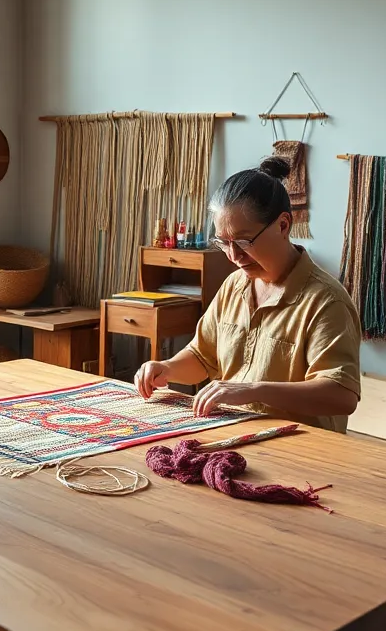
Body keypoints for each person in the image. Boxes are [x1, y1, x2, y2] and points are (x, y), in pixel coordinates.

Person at [134, 156, 362, 431]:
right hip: (233, 432)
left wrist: (254, 390)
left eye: (243, 241)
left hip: (299, 445)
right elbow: (203, 356)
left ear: (283, 225)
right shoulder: (234, 285)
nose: (233, 255)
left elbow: (341, 395)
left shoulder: (326, 301)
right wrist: (167, 368)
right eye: (223, 242)